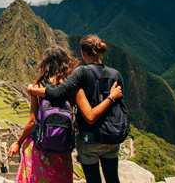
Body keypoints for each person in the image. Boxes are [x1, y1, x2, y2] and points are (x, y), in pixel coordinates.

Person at [9, 45, 122, 183]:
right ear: (66, 63)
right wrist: (110, 98)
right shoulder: (74, 87)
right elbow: (89, 113)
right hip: (62, 148)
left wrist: (18, 142)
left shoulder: (37, 87)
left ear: (44, 63)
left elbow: (32, 121)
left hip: (40, 147)